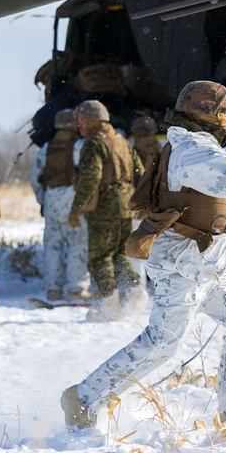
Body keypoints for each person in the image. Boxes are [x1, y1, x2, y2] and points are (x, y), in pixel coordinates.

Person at [61, 81, 226, 429]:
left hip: (210, 270)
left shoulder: (202, 147)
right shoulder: (193, 153)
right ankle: (83, 398)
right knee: (162, 345)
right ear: (205, 112)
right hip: (181, 270)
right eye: (221, 111)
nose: (225, 118)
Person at [67, 99, 145, 321]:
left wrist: (76, 209)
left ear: (94, 120)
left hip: (104, 209)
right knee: (119, 254)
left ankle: (108, 306)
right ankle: (135, 293)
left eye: (82, 120)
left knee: (100, 257)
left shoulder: (94, 143)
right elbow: (141, 173)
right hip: (125, 208)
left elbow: (91, 178)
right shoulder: (121, 142)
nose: (79, 125)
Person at [30, 108, 93, 302]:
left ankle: (53, 289)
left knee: (52, 248)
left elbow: (35, 179)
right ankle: (76, 289)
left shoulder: (46, 147)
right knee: (77, 246)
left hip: (51, 203)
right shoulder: (80, 146)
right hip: (74, 203)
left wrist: (44, 200)